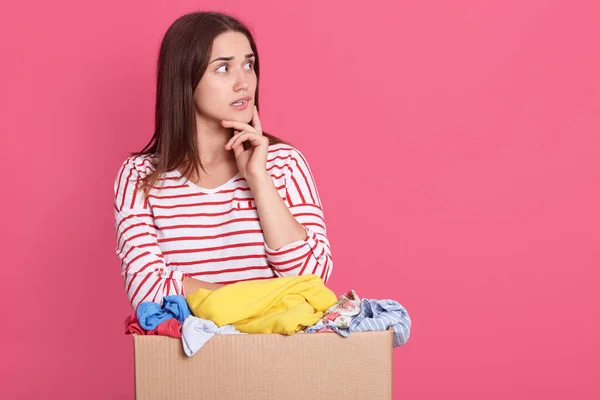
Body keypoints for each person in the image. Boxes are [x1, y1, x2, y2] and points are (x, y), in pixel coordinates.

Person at [113, 11, 333, 310]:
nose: (243, 82)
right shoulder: (139, 177)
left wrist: (258, 179)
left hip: (279, 356)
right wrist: (265, 302)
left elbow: (312, 280)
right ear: (185, 79)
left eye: (248, 64)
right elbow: (147, 289)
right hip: (190, 357)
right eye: (223, 68)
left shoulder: (283, 164)